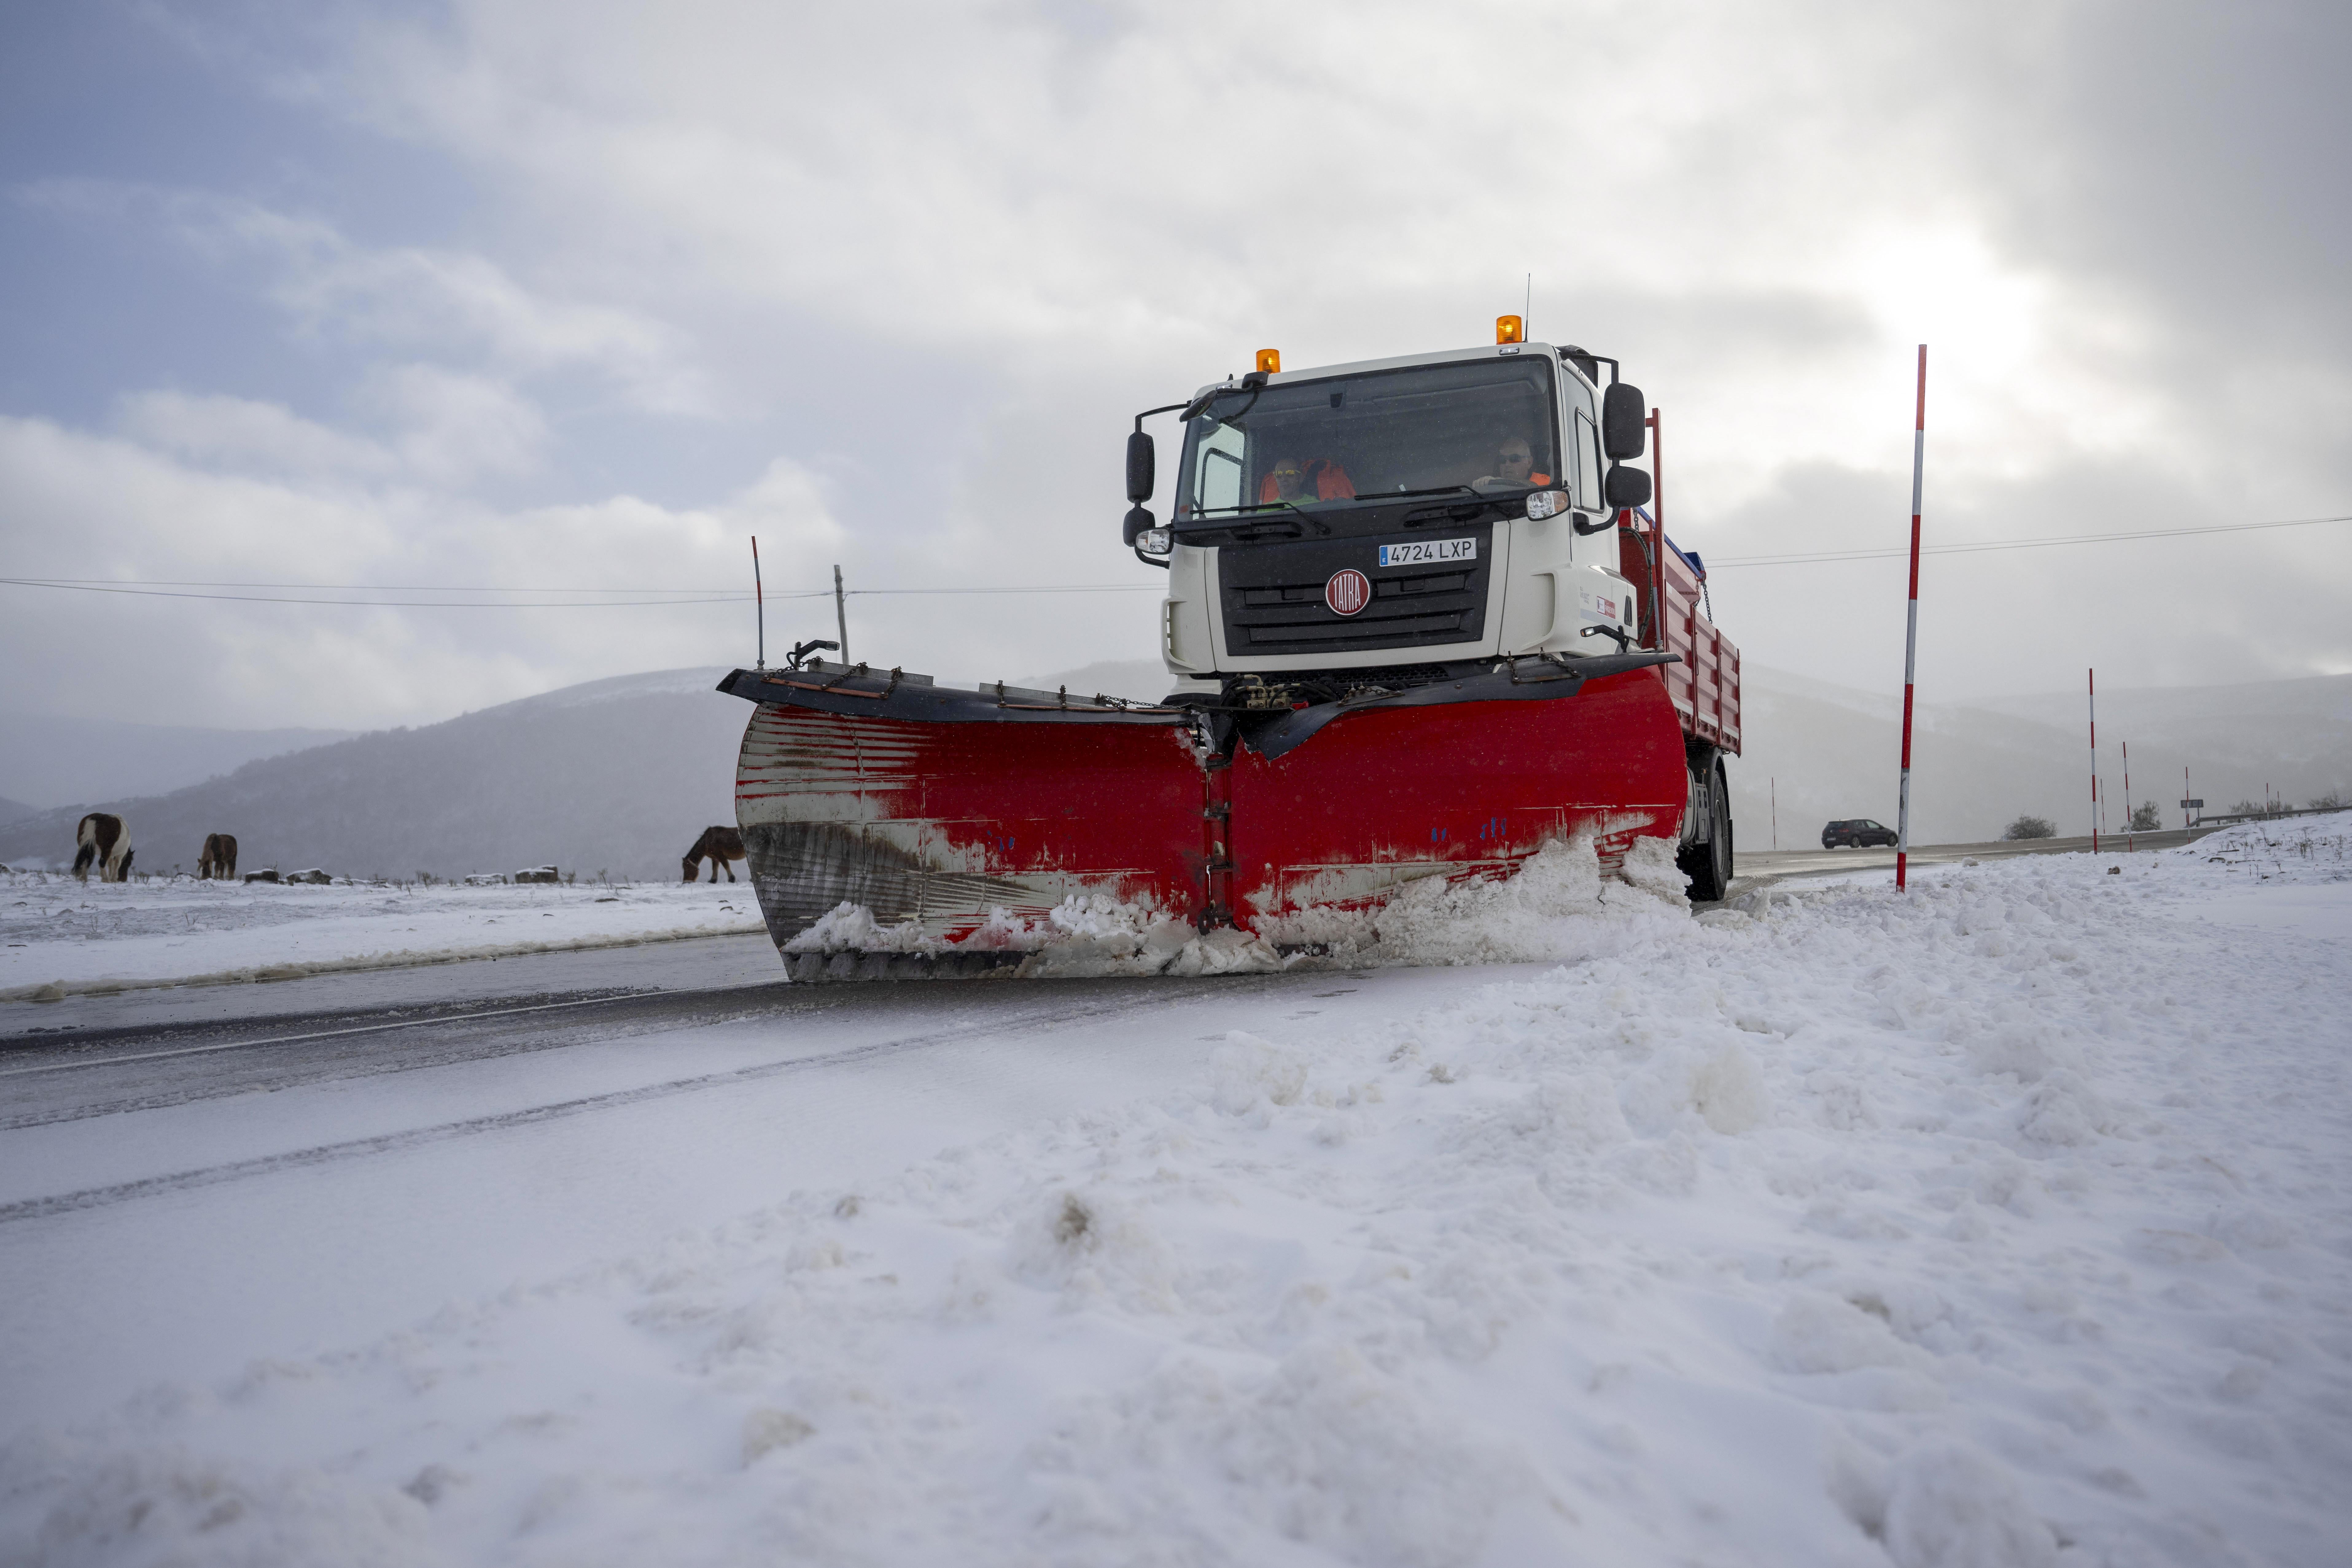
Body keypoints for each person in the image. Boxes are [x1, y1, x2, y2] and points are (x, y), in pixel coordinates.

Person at [1258, 454, 1356, 506]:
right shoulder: (1265, 510)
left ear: (1301, 478)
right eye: (1279, 474)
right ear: (1275, 478)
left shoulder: (1315, 505)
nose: (1283, 479)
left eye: (1290, 473)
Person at [1473, 434, 1553, 491]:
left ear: (1529, 462)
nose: (1507, 464)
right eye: (1502, 460)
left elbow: (1537, 489)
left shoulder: (1545, 481)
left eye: (1514, 459)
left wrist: (1502, 482)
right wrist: (1480, 484)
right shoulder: (1491, 486)